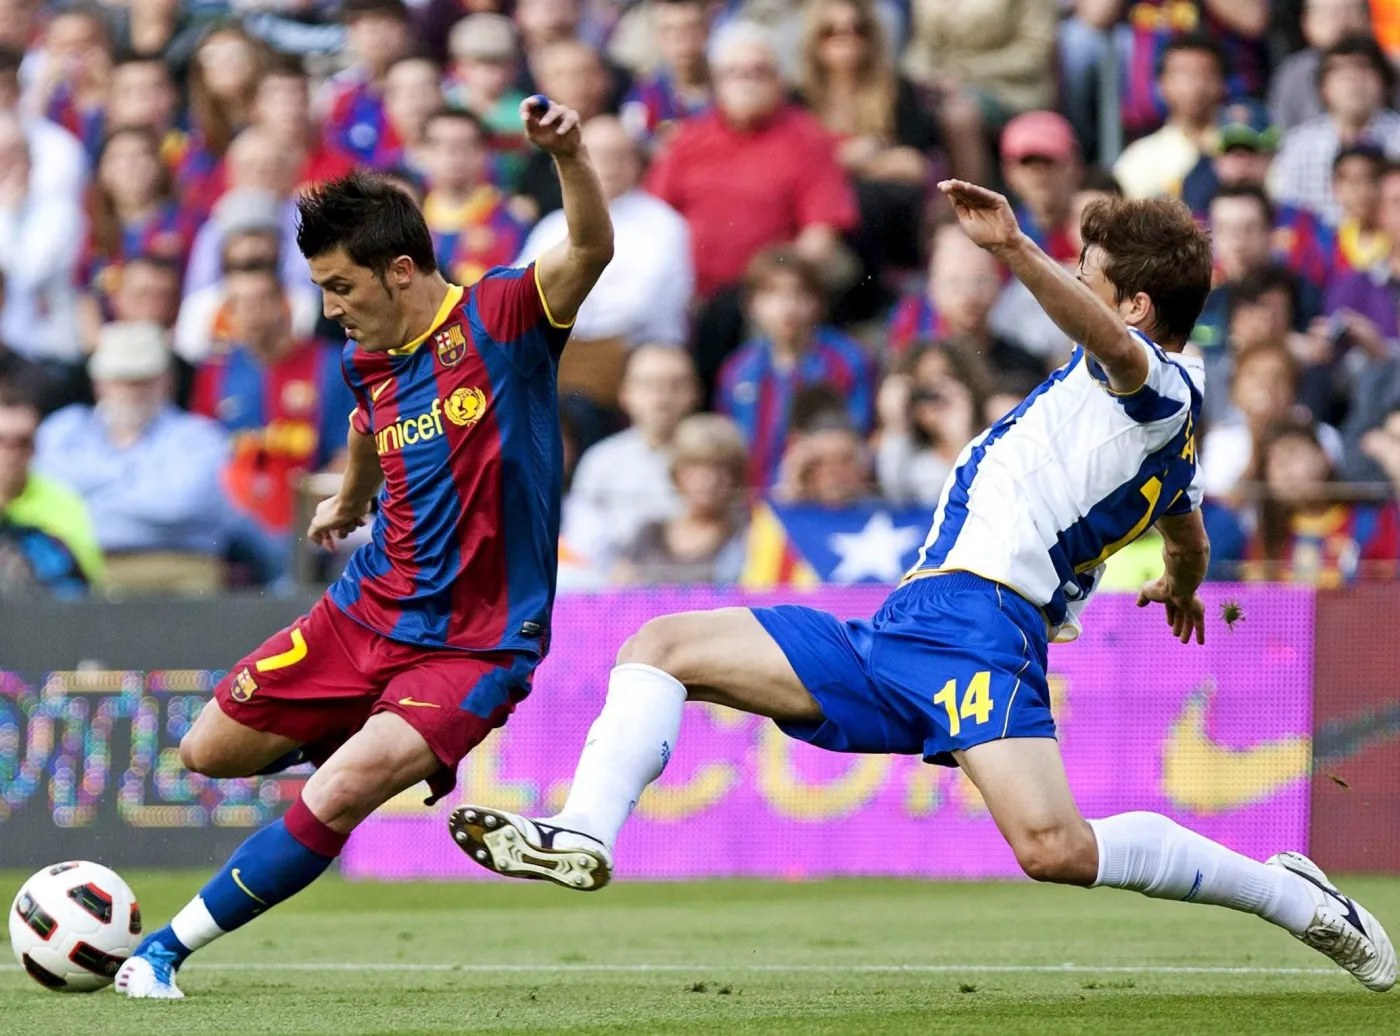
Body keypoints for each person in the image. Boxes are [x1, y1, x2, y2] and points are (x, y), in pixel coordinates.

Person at [450, 181, 1397, 994]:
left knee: (1055, 849)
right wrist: (1184, 583)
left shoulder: (1155, 387)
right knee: (660, 647)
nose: (1074, 282)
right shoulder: (1153, 427)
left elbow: (1116, 353)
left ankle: (1289, 894)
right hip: (908, 622)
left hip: (984, 625)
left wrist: (1014, 248)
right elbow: (1184, 520)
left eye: (1089, 273)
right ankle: (586, 832)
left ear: (1136, 307)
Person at [115, 95, 614, 999]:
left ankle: (160, 954)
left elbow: (589, 251)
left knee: (340, 793)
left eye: (340, 287)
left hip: (475, 643)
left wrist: (570, 156)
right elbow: (367, 423)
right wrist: (348, 501)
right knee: (206, 754)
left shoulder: (502, 319)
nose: (329, 308)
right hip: (365, 610)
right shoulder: (367, 358)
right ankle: (370, 727)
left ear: (400, 270)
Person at [34, 321, 229, 559]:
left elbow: (176, 508)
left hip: (173, 565)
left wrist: (88, 499)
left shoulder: (201, 437)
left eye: (143, 379)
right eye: (121, 378)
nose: (132, 390)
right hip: (75, 565)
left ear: (167, 380)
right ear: (99, 383)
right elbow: (43, 495)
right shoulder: (64, 428)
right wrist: (132, 480)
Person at [516, 116, 693, 350]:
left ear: (637, 163)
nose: (610, 165)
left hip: (637, 348)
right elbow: (519, 291)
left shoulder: (665, 224)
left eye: (621, 155)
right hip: (562, 344)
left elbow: (642, 307)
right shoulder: (553, 225)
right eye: (598, 155)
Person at [717, 247, 876, 490]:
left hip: (825, 500)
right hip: (754, 503)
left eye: (799, 293)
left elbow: (858, 435)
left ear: (818, 302)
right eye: (772, 293)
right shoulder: (738, 369)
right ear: (751, 305)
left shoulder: (847, 361)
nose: (787, 306)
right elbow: (730, 447)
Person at [563, 344, 699, 573]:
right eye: (649, 385)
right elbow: (580, 538)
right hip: (612, 583)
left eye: (675, 385)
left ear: (695, 392)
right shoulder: (600, 460)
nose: (662, 397)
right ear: (625, 393)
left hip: (695, 580)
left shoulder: (715, 459)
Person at [1242, 416, 1400, 585]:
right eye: (1272, 462)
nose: (1284, 469)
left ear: (1324, 456)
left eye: (1292, 454)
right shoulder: (1266, 541)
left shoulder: (1373, 523)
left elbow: (1386, 588)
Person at [1272, 34, 1400, 226]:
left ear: (1385, 82)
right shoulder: (1299, 146)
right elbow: (1287, 215)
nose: (1352, 79)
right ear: (1323, 88)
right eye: (1339, 70)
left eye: (1363, 67)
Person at [612, 413, 748, 585]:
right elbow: (617, 592)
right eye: (696, 465)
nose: (709, 479)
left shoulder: (747, 536)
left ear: (735, 475)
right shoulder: (648, 534)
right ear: (676, 473)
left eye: (720, 467)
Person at [0, 382, 103, 596]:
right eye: (1, 441)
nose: (11, 453)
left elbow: (82, 580)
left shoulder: (63, 501)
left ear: (36, 447)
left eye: (23, 442)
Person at [0, 112, 84, 369]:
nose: (9, 163)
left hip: (49, 354)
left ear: (31, 158)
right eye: (1, 154)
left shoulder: (61, 210)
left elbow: (25, 275)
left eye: (16, 152)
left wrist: (7, 212)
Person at [421, 107, 524, 288]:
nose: (451, 154)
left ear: (483, 152)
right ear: (423, 153)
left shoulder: (509, 218)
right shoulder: (410, 216)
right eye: (440, 145)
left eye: (462, 145)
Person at [1112, 34, 1224, 200]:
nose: (1194, 85)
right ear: (1161, 84)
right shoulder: (1141, 157)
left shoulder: (1243, 147)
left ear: (1221, 82)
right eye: (1183, 75)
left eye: (1203, 74)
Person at [321, 0, 411, 167]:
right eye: (369, 27)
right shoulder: (338, 89)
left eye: (386, 24)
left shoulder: (427, 84)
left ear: (404, 29)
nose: (377, 36)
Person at [1269, 0, 1377, 133]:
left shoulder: (1389, 68)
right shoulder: (1293, 74)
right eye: (1331, 14)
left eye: (1350, 11)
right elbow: (1280, 130)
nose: (1342, 23)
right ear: (1307, 23)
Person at [618, 0, 712, 147]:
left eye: (692, 29)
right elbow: (635, 145)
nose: (682, 40)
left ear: (707, 31)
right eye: (671, 31)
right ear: (658, 37)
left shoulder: (728, 88)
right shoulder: (644, 98)